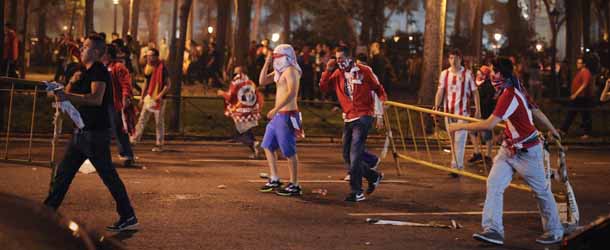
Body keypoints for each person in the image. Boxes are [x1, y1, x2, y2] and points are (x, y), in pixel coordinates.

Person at [448, 57, 564, 246]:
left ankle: (555, 230)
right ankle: (493, 230)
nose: (490, 75)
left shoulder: (509, 94)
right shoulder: (515, 88)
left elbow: (489, 124)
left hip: (527, 150)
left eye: (493, 72)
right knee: (494, 184)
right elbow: (535, 111)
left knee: (541, 191)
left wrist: (460, 126)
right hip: (509, 149)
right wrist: (553, 130)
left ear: (500, 74)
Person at [44, 35, 138, 232]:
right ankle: (46, 213)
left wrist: (66, 94)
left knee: (108, 176)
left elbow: (95, 99)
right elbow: (67, 94)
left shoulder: (99, 71)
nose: (81, 48)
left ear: (96, 52)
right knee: (63, 174)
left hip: (95, 134)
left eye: (85, 46)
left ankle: (128, 215)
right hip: (80, 132)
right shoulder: (80, 71)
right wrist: (67, 85)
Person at [319, 46, 387, 202]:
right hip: (349, 117)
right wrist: (327, 70)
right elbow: (323, 87)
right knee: (346, 155)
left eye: (341, 58)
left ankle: (357, 191)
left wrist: (383, 104)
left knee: (355, 153)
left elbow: (378, 88)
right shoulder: (337, 74)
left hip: (364, 116)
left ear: (350, 58)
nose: (339, 62)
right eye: (337, 59)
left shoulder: (364, 71)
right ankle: (373, 176)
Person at [257, 44, 304, 196]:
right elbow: (262, 81)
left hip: (287, 114)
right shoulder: (280, 71)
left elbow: (292, 93)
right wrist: (267, 62)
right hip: (278, 116)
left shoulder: (291, 71)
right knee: (268, 145)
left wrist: (276, 109)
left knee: (289, 151)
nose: (276, 59)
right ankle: (275, 178)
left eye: (277, 57)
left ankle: (295, 184)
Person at [433, 49, 481, 177]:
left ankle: (455, 166)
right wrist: (436, 107)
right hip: (448, 112)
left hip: (462, 112)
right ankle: (457, 165)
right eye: (451, 58)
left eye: (455, 58)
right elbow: (440, 91)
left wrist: (477, 109)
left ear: (460, 59)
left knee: (459, 139)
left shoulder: (468, 74)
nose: (453, 61)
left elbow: (475, 92)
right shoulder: (444, 74)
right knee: (452, 139)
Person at [217, 66, 263, 159]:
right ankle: (255, 150)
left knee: (239, 134)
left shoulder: (236, 82)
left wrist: (222, 93)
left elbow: (230, 96)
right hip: (249, 111)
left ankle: (254, 143)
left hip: (239, 112)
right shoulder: (250, 82)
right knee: (246, 131)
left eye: (235, 73)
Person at [102, 45, 136, 167]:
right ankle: (101, 156)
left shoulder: (118, 67)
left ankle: (127, 155)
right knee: (101, 131)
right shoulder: (101, 67)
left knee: (119, 129)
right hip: (102, 104)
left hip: (114, 104)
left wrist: (125, 97)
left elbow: (126, 84)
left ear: (109, 55)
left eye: (103, 53)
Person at [131, 48, 171, 152]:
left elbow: (168, 85)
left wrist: (160, 95)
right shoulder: (148, 68)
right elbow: (146, 83)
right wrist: (142, 97)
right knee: (142, 118)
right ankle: (135, 139)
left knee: (159, 121)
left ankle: (159, 143)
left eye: (150, 56)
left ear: (156, 57)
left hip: (159, 99)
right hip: (149, 96)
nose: (148, 58)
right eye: (147, 56)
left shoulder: (162, 68)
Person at [560, 57, 593, 139]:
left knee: (585, 115)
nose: (577, 64)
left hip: (582, 98)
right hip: (579, 98)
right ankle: (563, 130)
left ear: (584, 64)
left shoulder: (585, 72)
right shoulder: (580, 72)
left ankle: (586, 133)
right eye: (577, 63)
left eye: (579, 63)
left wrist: (575, 94)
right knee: (571, 113)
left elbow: (584, 85)